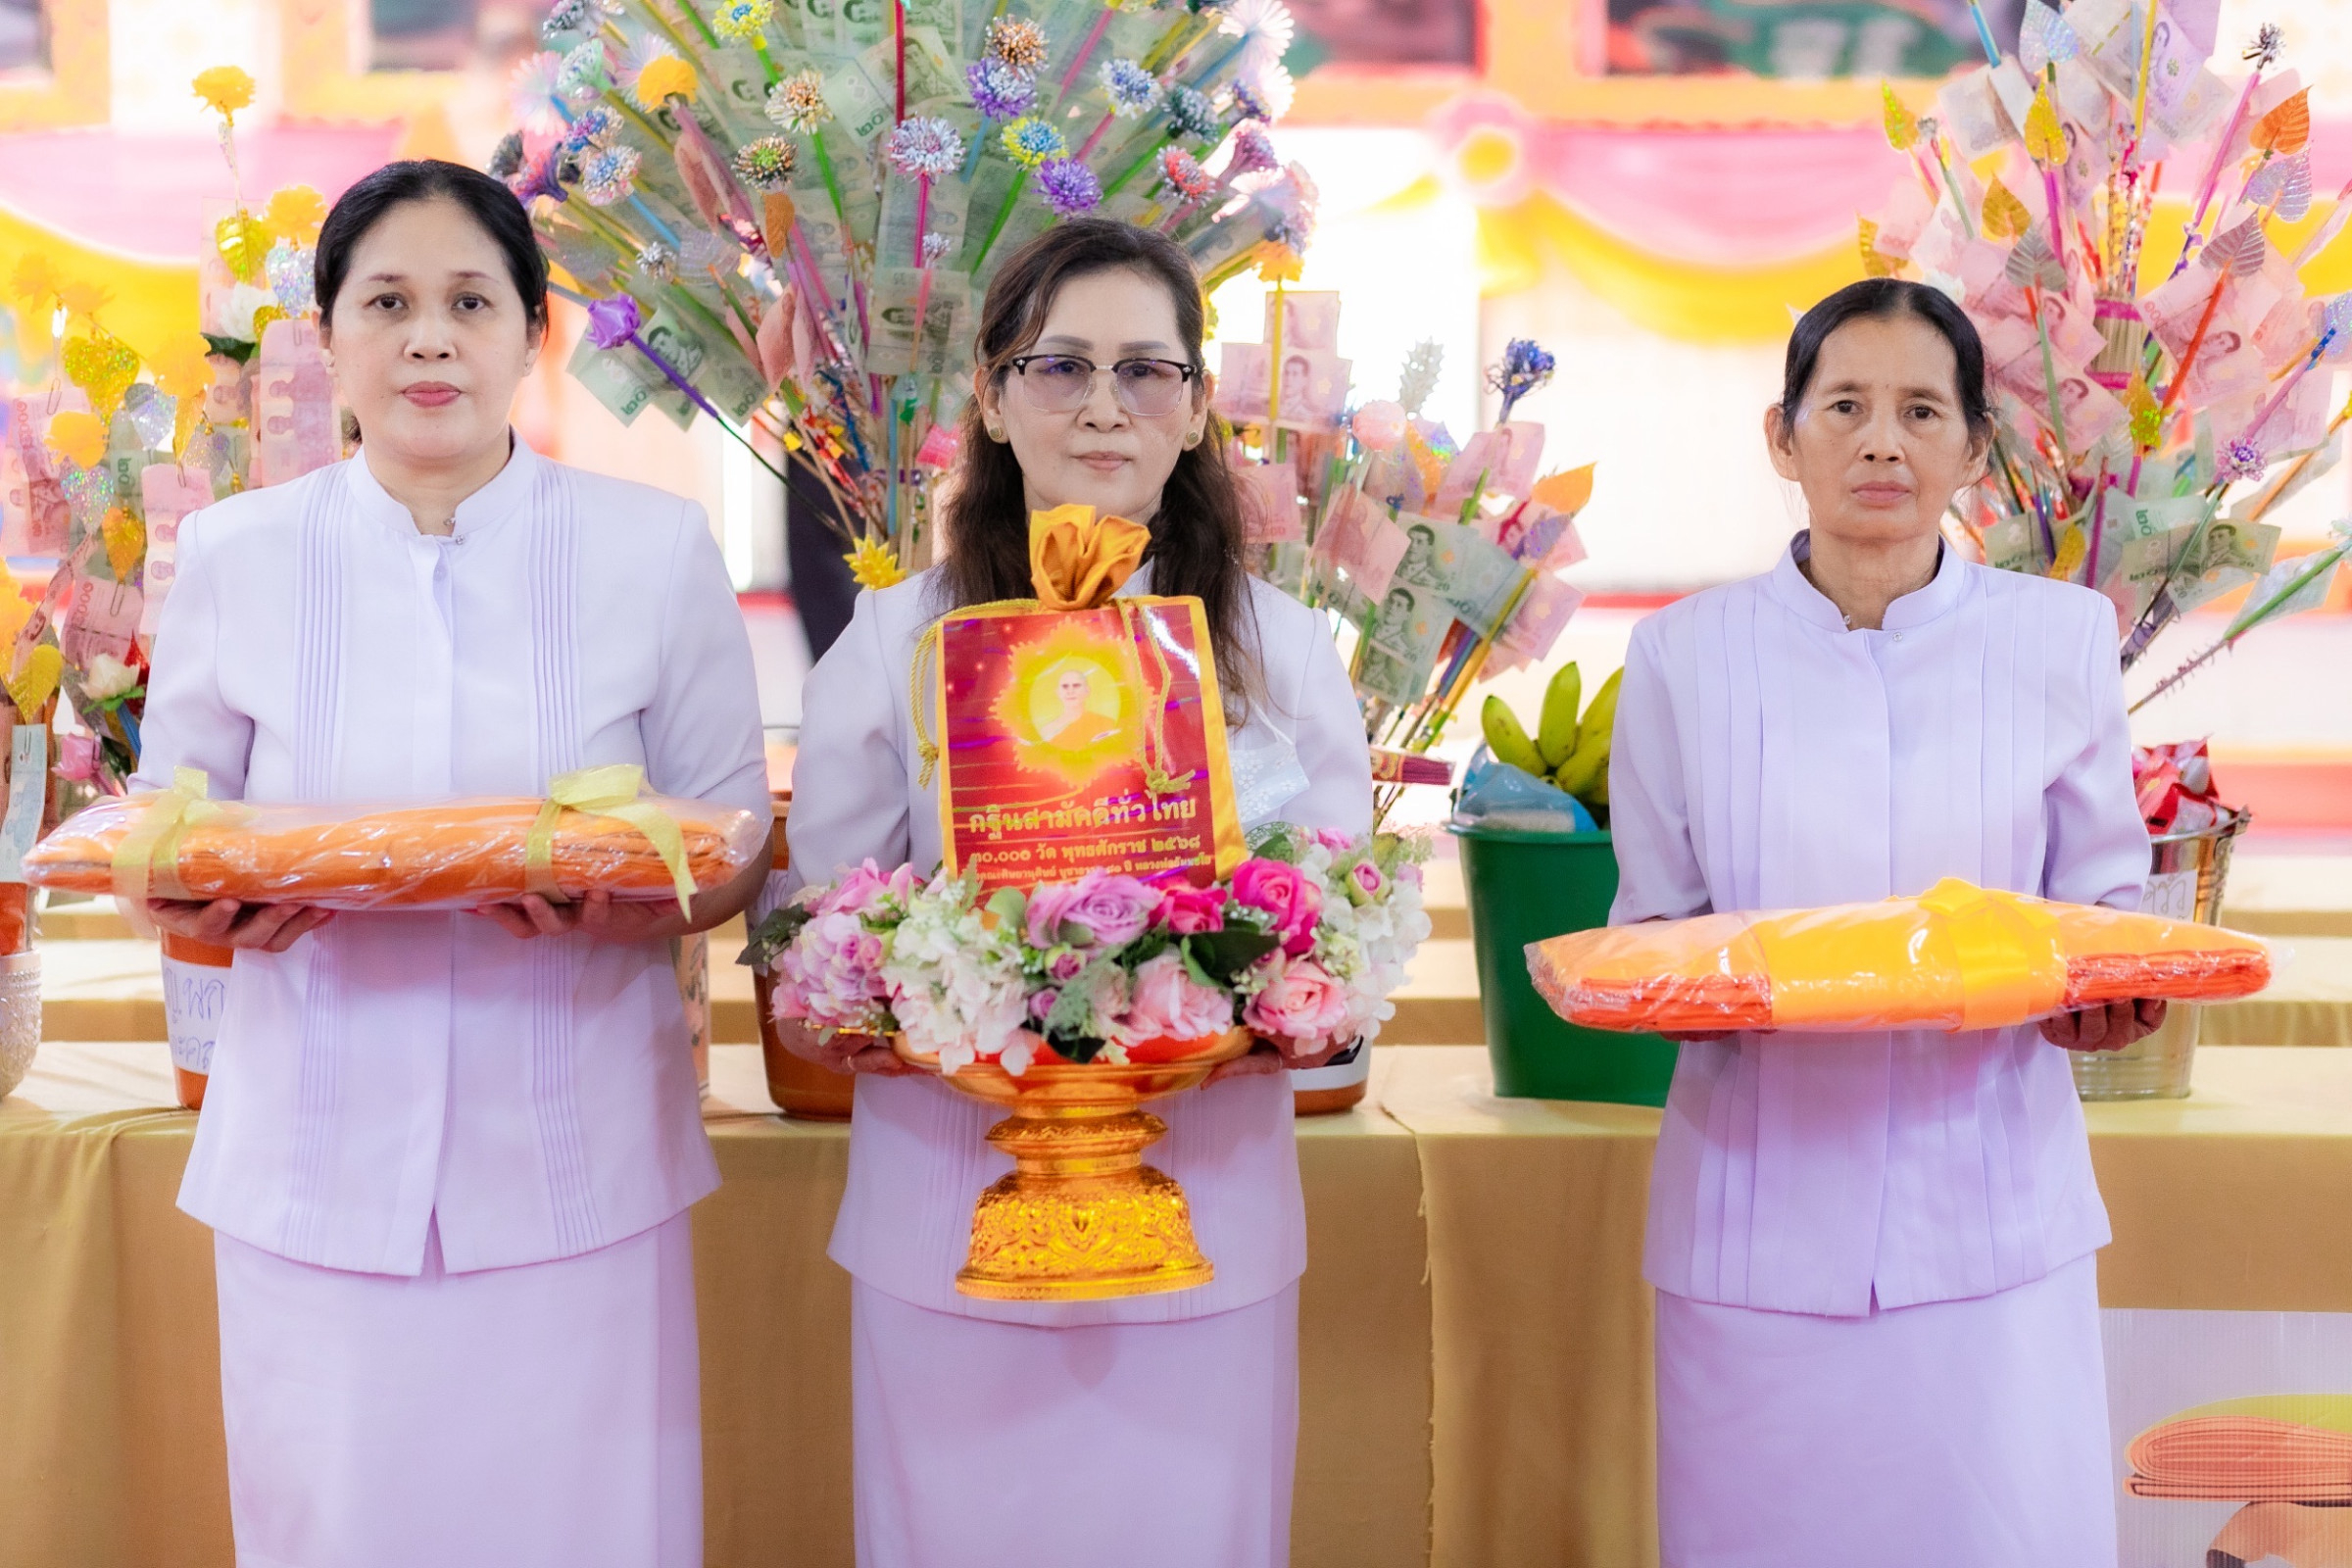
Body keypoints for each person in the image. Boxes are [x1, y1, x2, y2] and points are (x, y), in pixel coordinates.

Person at [132, 160, 769, 1567]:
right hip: (312, 1162)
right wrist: (204, 905)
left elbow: (732, 841)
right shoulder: (236, 553)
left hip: (578, 1160)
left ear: (530, 335)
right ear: (327, 338)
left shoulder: (651, 549)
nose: (431, 336)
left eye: (471, 300)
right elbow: (163, 832)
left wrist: (624, 905)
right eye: (391, 301)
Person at [780, 218, 1373, 1568]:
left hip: (1203, 1206)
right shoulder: (897, 641)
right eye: (1060, 366)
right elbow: (829, 924)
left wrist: (1244, 990)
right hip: (951, 1210)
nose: (1104, 404)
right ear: (990, 395)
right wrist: (954, 987)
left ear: (1196, 405)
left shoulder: (1274, 651)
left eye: (1145, 371)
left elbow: (1339, 925)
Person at [1608, 277, 2164, 1566]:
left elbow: (2105, 901)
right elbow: (1655, 926)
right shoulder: (1684, 657)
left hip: (1994, 1215)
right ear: (1781, 434)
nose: (1880, 441)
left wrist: (2109, 991)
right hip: (1754, 1215)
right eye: (1844, 404)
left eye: (1922, 410)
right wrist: (1701, 988)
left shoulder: (2061, 639)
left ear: (1975, 447)